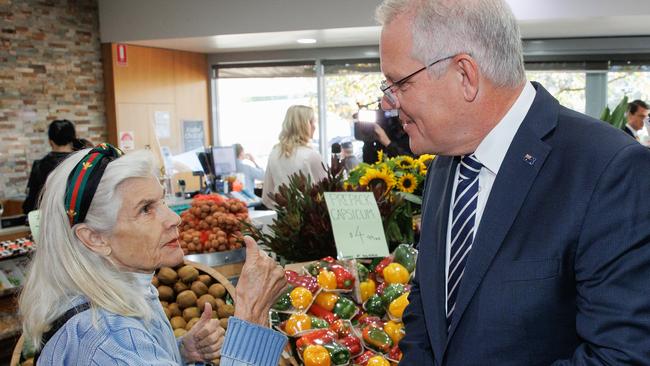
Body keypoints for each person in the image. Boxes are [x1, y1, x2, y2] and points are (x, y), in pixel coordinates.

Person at [376, 0, 650, 365]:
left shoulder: (609, 169)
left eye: (399, 83)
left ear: (465, 75)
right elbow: (426, 308)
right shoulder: (444, 163)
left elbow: (621, 356)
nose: (387, 102)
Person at [19, 143, 289, 365]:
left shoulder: (121, 292)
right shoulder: (107, 340)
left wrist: (181, 352)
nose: (174, 218)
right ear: (95, 238)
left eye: (161, 201)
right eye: (146, 209)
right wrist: (252, 316)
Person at [262, 105, 327, 208]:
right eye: (312, 122)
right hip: (312, 219)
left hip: (284, 220)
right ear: (304, 125)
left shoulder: (274, 153)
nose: (315, 126)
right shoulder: (311, 155)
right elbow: (327, 192)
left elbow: (267, 196)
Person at [23, 119, 77, 214]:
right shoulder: (83, 162)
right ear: (74, 138)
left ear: (50, 141)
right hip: (80, 221)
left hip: (49, 221)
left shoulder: (39, 166)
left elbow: (31, 203)